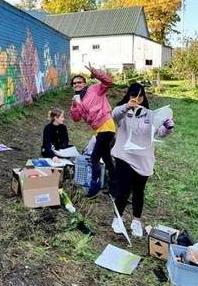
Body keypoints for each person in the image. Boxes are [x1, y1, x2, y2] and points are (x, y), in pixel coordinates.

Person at [110, 83, 174, 238]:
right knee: (124, 190)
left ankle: (136, 221)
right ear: (129, 96)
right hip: (124, 156)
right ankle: (117, 218)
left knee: (139, 191)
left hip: (144, 160)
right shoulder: (123, 112)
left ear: (144, 98)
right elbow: (114, 115)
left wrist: (167, 127)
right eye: (133, 96)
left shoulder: (150, 115)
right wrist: (126, 106)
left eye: (139, 96)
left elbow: (159, 133)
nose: (136, 99)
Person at [70, 64, 116, 197]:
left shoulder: (95, 89)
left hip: (107, 126)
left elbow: (109, 82)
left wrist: (96, 73)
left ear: (85, 83)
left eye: (79, 82)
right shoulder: (78, 99)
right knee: (107, 158)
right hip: (99, 130)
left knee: (95, 157)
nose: (77, 84)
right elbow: (76, 118)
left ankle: (94, 187)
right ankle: (115, 187)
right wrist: (74, 104)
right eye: (74, 83)